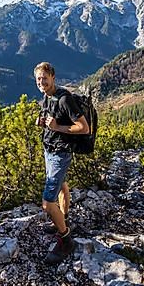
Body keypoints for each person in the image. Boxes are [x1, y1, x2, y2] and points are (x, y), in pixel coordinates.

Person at [34, 62, 90, 265]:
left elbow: (84, 128)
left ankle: (66, 240)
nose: (42, 82)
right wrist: (44, 124)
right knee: (62, 186)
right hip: (49, 151)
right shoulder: (47, 96)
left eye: (45, 78)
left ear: (53, 77)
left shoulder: (65, 99)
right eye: (38, 79)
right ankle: (64, 219)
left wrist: (57, 127)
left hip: (60, 154)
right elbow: (53, 121)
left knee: (48, 203)